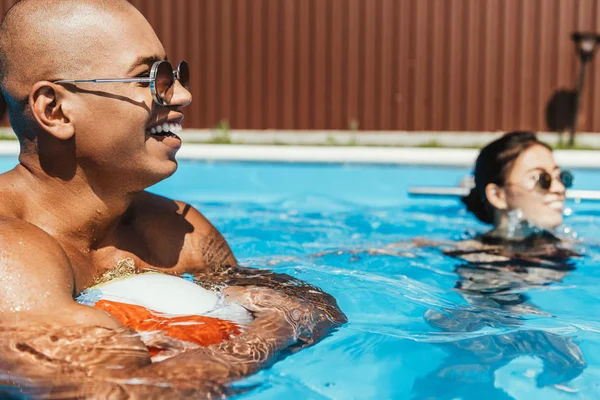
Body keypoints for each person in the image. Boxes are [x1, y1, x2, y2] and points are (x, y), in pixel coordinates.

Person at [0, 0, 345, 397]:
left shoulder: (176, 229)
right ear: (55, 110)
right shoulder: (10, 250)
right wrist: (264, 333)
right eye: (150, 78)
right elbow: (121, 391)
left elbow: (312, 305)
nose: (182, 95)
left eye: (174, 74)